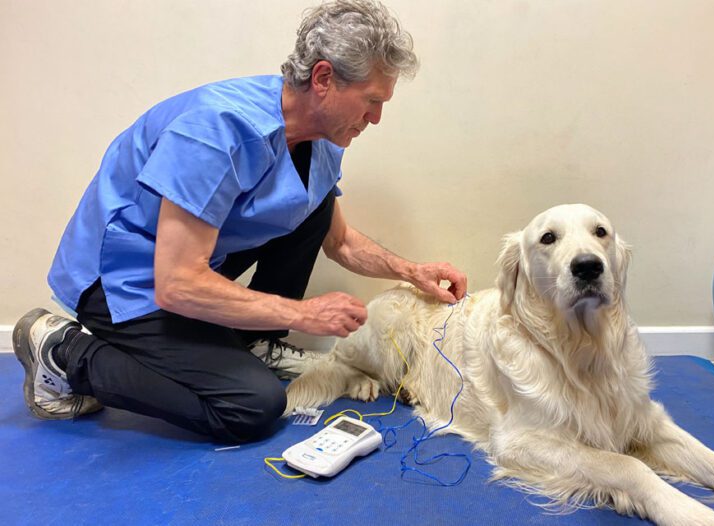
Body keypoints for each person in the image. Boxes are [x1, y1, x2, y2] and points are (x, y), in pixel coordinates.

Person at [12, 0, 466, 443]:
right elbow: (176, 284)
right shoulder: (216, 131)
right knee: (251, 406)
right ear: (324, 78)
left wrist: (412, 272)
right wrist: (302, 313)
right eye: (371, 100)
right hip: (122, 277)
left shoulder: (325, 138)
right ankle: (63, 352)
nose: (376, 118)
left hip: (188, 262)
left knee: (311, 209)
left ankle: (255, 341)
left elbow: (340, 241)